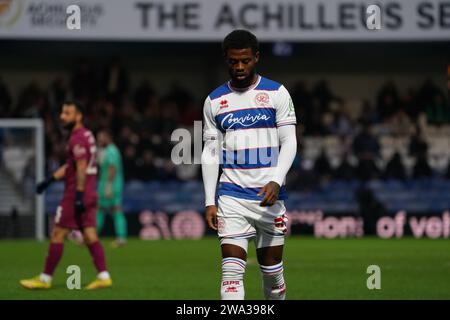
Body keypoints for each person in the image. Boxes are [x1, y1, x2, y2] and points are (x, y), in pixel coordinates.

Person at [201, 30, 297, 300]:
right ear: (226, 60)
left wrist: (276, 180)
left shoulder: (277, 93)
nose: (240, 67)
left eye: (245, 60)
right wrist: (210, 200)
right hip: (231, 195)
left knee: (272, 276)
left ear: (256, 57)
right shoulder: (213, 102)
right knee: (231, 277)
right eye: (233, 61)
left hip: (269, 196)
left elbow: (289, 142)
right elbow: (210, 152)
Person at [20, 101, 112, 290]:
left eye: (68, 113)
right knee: (89, 234)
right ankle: (104, 276)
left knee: (58, 233)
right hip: (90, 191)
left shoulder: (77, 138)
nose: (62, 116)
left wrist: (78, 195)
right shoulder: (87, 135)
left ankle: (44, 279)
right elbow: (72, 166)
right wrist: (50, 179)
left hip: (76, 192)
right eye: (62, 112)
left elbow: (80, 168)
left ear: (78, 116)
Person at [96, 130, 127, 247]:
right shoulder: (106, 151)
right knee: (106, 209)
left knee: (111, 209)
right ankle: (121, 237)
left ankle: (92, 236)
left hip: (110, 185)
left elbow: (112, 169)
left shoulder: (111, 151)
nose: (99, 140)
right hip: (108, 184)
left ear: (108, 138)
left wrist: (108, 186)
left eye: (101, 138)